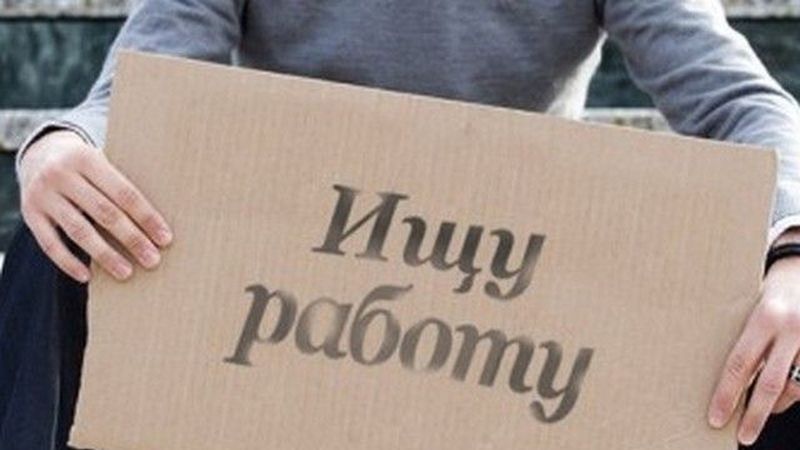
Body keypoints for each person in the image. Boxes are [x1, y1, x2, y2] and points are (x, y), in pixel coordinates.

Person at [2, 0, 800, 448]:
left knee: (786, 328)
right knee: (58, 235)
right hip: (287, 280)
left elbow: (740, 103)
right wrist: (60, 145)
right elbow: (142, 84)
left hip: (517, 298)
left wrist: (793, 246)